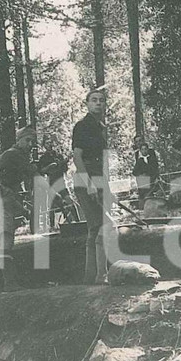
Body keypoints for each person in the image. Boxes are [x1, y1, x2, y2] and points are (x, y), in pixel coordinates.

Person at [0, 125, 38, 292]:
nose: (31, 144)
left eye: (33, 141)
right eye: (27, 140)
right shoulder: (13, 154)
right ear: (19, 140)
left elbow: (29, 174)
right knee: (6, 239)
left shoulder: (19, 156)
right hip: (0, 198)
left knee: (9, 238)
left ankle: (11, 280)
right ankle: (9, 283)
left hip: (7, 198)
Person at [72, 87, 109, 284]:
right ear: (87, 104)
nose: (98, 103)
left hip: (98, 178)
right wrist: (90, 184)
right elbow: (77, 156)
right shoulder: (82, 126)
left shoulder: (99, 127)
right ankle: (101, 274)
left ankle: (91, 275)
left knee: (95, 228)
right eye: (93, 100)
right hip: (85, 179)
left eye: (101, 100)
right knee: (102, 225)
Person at [132, 140, 160, 205]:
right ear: (140, 151)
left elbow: (156, 169)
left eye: (145, 149)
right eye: (142, 149)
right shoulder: (139, 161)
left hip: (152, 180)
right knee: (144, 197)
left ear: (147, 150)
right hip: (144, 182)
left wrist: (157, 178)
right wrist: (142, 175)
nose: (144, 151)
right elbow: (134, 172)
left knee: (153, 196)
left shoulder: (152, 159)